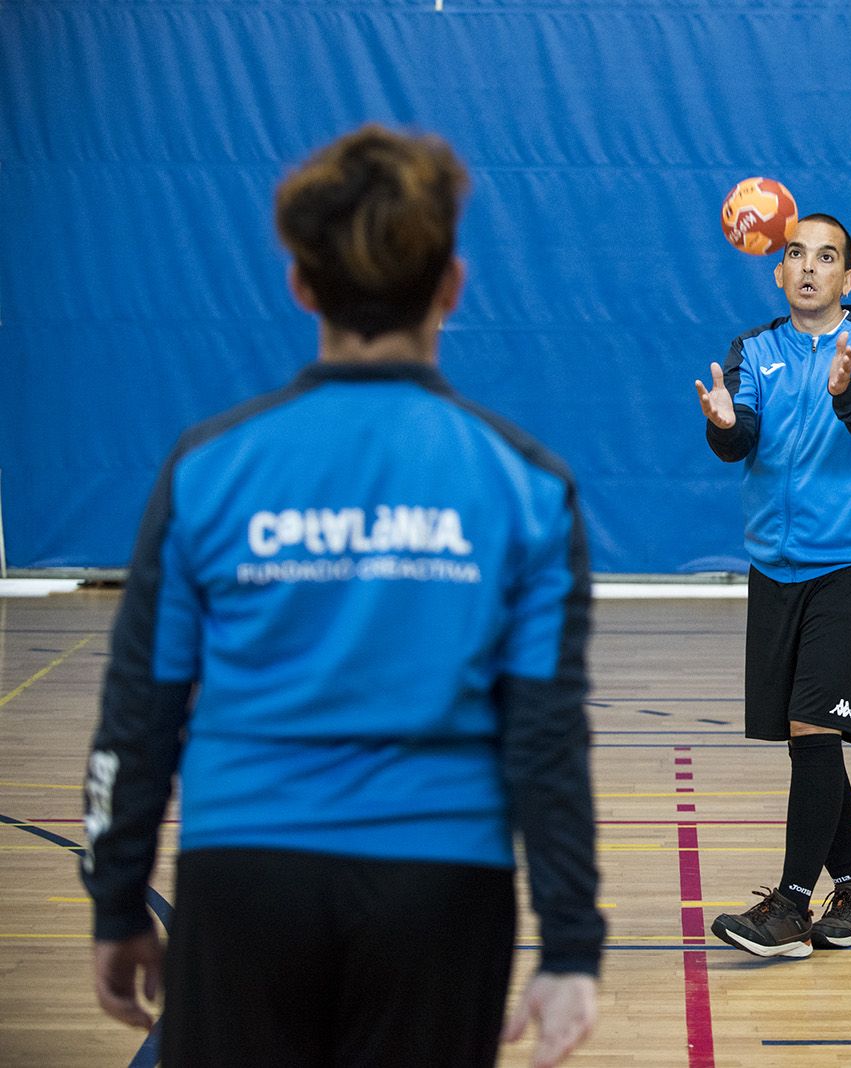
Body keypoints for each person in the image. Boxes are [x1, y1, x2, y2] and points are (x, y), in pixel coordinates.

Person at [80, 125, 603, 1068]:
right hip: (442, 893)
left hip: (244, 882)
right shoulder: (526, 484)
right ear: (452, 284)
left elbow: (138, 713)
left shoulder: (209, 469)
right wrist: (570, 944)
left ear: (302, 286)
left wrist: (116, 901)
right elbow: (546, 734)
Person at [693, 213, 851, 958]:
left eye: (826, 256)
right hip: (775, 566)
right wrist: (724, 424)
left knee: (816, 727)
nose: (809, 266)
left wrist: (849, 396)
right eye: (796, 254)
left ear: (847, 279)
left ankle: (790, 907)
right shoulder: (754, 350)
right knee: (807, 737)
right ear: (779, 271)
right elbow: (738, 439)